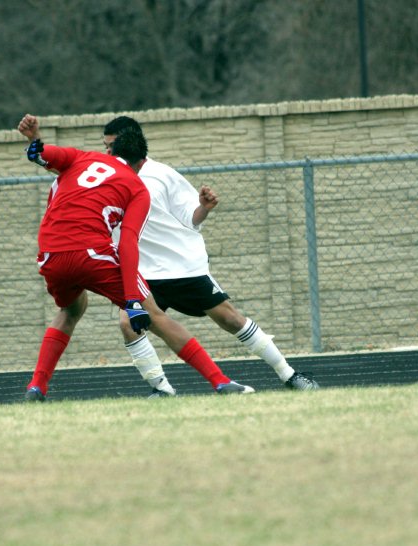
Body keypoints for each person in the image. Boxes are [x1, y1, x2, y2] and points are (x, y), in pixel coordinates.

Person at [16, 115, 254, 401]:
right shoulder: (137, 186)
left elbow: (39, 154)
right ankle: (220, 381)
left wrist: (33, 138)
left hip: (50, 253)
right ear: (142, 162)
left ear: (111, 151)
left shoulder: (83, 158)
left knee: (70, 310)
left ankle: (37, 386)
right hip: (91, 252)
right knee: (154, 315)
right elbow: (128, 244)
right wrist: (131, 299)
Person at [101, 116, 320, 396]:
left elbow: (190, 218)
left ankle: (289, 375)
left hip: (181, 266)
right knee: (128, 323)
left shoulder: (161, 175)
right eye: (104, 147)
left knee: (230, 319)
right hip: (141, 272)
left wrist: (203, 208)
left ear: (130, 143)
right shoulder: (104, 178)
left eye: (111, 147)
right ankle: (161, 389)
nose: (106, 153)